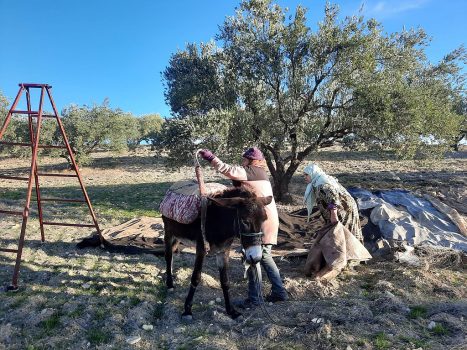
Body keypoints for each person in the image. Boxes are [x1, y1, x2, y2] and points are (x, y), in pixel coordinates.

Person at [199, 147, 288, 308]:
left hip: (258, 221)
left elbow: (228, 170)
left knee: (254, 259)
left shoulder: (252, 171)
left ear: (251, 160)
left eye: (245, 159)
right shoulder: (260, 174)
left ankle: (256, 299)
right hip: (264, 218)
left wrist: (210, 157)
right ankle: (278, 291)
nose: (242, 162)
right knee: (264, 256)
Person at [303, 163, 363, 242]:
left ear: (313, 173)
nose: (304, 177)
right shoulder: (316, 183)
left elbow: (333, 199)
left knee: (344, 231)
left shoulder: (323, 185)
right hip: (340, 208)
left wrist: (333, 215)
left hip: (344, 209)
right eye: (304, 175)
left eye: (306, 175)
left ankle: (350, 252)